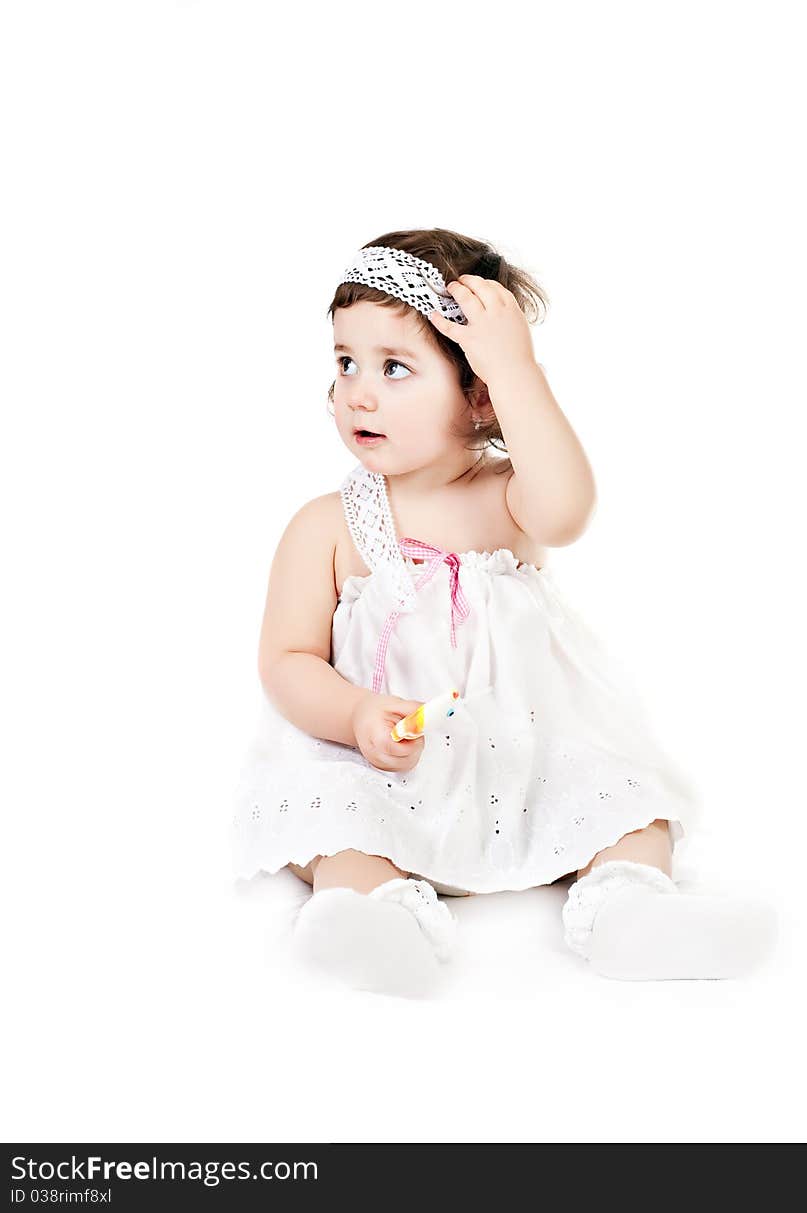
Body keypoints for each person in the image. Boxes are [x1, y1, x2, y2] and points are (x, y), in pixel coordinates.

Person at [230, 229, 775, 997]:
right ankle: (370, 917)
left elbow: (569, 509)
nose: (357, 391)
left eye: (394, 368)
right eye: (345, 361)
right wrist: (353, 714)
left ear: (480, 396)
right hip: (382, 760)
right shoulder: (325, 525)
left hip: (521, 758)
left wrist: (516, 367)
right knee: (334, 817)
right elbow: (286, 659)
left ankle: (629, 908)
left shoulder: (509, 500)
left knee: (627, 799)